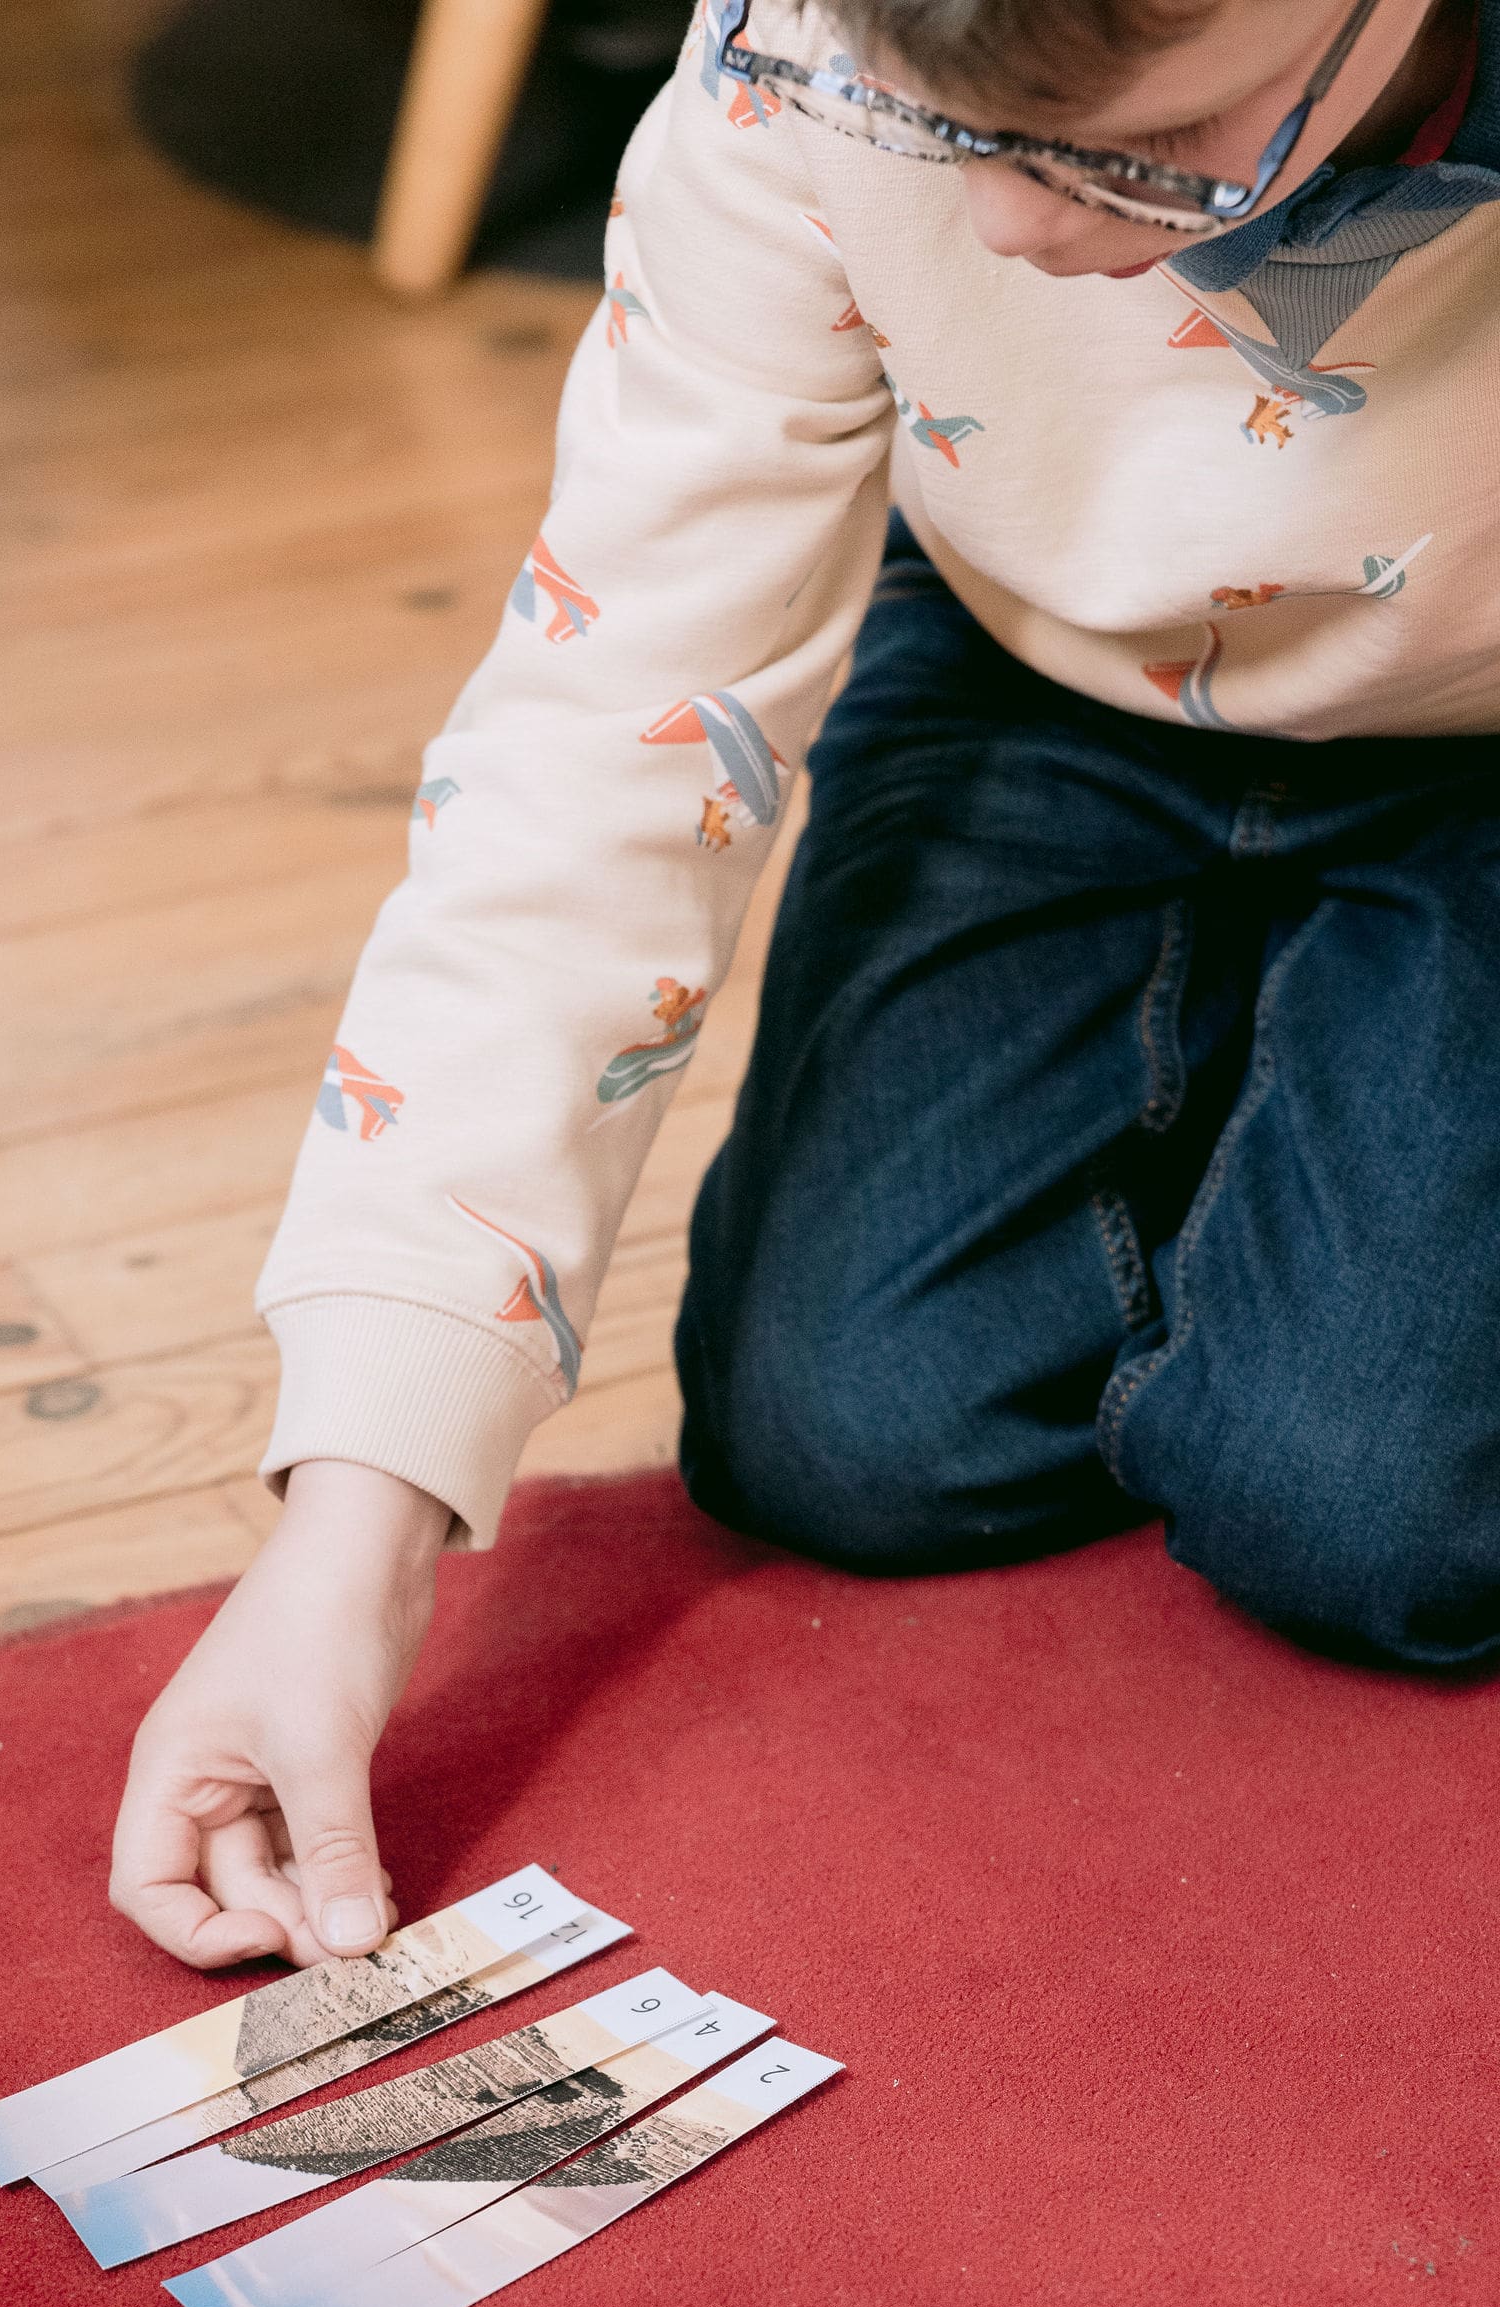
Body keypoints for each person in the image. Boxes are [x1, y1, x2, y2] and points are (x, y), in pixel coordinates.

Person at [112, 0, 1500, 1973]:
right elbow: (596, 745)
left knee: (1359, 1510)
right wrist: (353, 1536)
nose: (1014, 234)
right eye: (941, 132)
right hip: (1048, 655)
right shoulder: (793, 59)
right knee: (847, 1440)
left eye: (1151, 147)